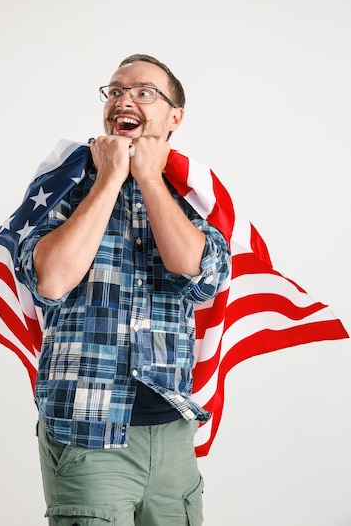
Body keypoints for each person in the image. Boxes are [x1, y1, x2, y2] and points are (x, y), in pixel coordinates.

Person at [18, 54, 231, 526]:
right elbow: (49, 282)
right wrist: (111, 176)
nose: (123, 100)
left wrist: (149, 178)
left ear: (175, 115)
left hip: (173, 433)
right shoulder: (64, 187)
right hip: (87, 433)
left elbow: (202, 277)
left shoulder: (194, 197)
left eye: (142, 92)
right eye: (114, 91)